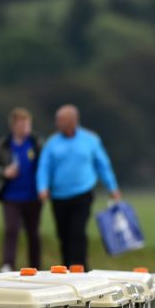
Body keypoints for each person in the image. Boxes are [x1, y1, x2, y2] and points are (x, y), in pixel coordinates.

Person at [36, 104, 121, 270]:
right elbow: (44, 167)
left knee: (77, 231)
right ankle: (66, 267)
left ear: (72, 121)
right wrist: (42, 187)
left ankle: (80, 267)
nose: (57, 123)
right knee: (63, 234)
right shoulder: (52, 143)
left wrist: (112, 187)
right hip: (59, 196)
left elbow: (102, 164)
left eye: (61, 120)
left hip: (82, 193)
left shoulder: (90, 140)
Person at [0, 107, 43, 272]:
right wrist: (4, 172)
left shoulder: (36, 143)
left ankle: (35, 267)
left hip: (33, 196)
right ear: (13, 126)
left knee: (33, 233)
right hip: (11, 196)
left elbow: (46, 165)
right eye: (21, 125)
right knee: (11, 229)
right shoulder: (4, 145)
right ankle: (8, 264)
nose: (25, 129)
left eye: (27, 125)